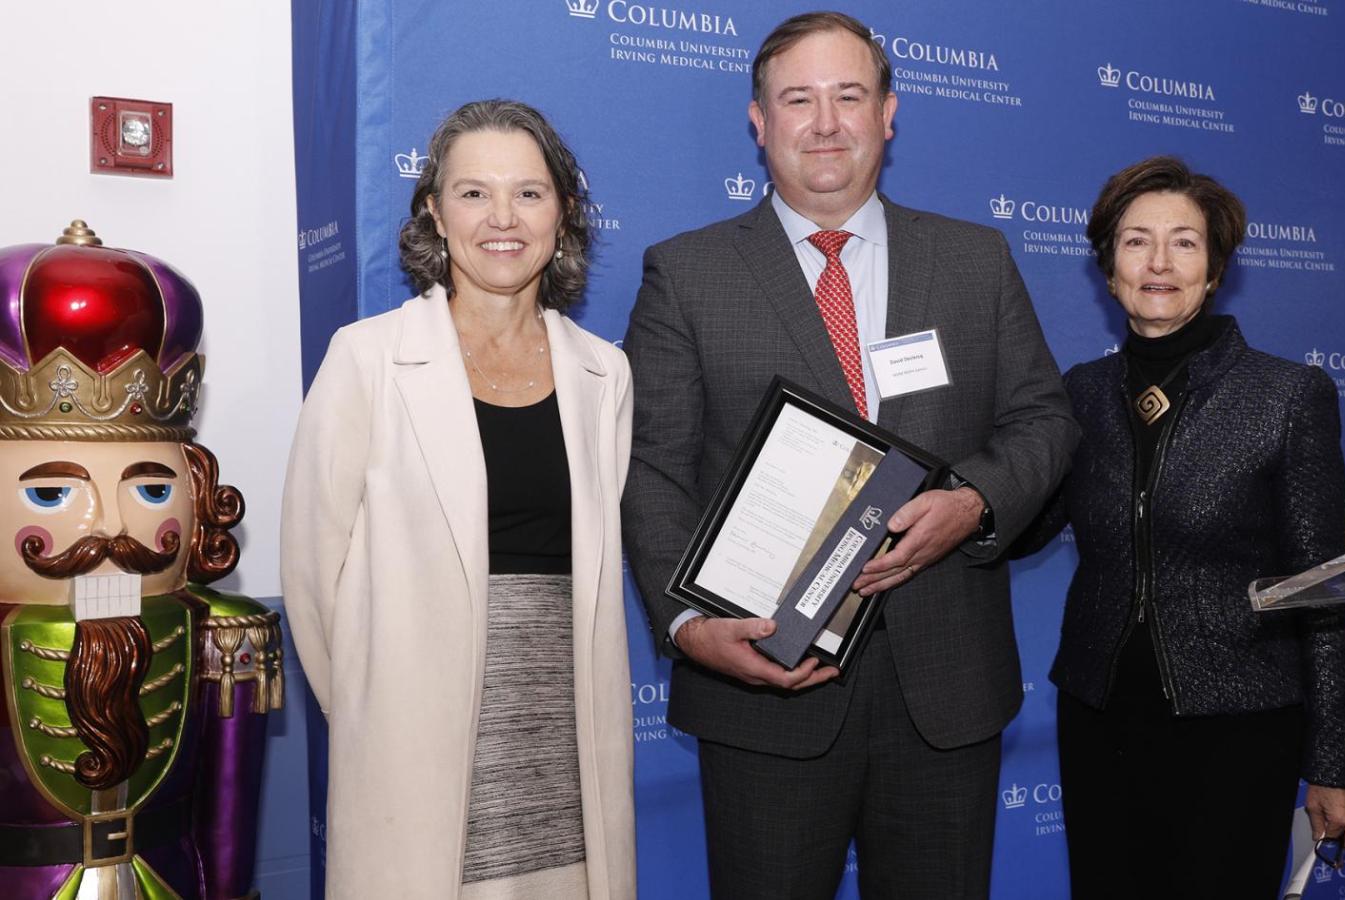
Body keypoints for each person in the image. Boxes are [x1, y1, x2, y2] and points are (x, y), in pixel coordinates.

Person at [621, 11, 1077, 899]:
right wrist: (689, 627)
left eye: (849, 96)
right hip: (763, 689)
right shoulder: (687, 273)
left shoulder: (975, 259)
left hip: (945, 688)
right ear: (760, 121)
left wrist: (973, 501)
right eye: (798, 99)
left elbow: (1044, 421)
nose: (826, 123)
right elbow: (653, 470)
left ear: (888, 114)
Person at [282, 99, 635, 899]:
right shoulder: (366, 359)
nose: (502, 218)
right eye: (474, 193)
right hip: (412, 745)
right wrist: (378, 712)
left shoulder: (604, 373)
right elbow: (311, 577)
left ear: (563, 213)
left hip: (567, 744)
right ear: (436, 215)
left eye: (529, 193)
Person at [1015, 156, 1345, 898]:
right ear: (1108, 267)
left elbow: (1325, 591)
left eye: (1184, 242)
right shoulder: (1080, 393)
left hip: (1240, 724)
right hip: (1099, 714)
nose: (1159, 263)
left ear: (1215, 270)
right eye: (1136, 241)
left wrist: (1335, 761)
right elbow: (1026, 527)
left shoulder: (1286, 396)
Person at [0, 220, 282, 899]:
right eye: (53, 493)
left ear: (197, 493)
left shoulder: (226, 635)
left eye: (152, 490)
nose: (111, 526)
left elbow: (229, 812)